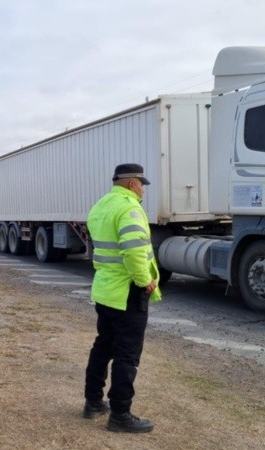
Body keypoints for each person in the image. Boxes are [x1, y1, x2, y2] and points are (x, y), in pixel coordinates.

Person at [82, 163, 162, 433]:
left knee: (103, 346)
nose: (143, 190)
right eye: (142, 184)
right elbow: (133, 250)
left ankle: (93, 402)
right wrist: (145, 281)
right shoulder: (129, 207)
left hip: (106, 289)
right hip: (128, 290)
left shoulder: (101, 205)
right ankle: (120, 414)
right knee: (127, 354)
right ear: (131, 184)